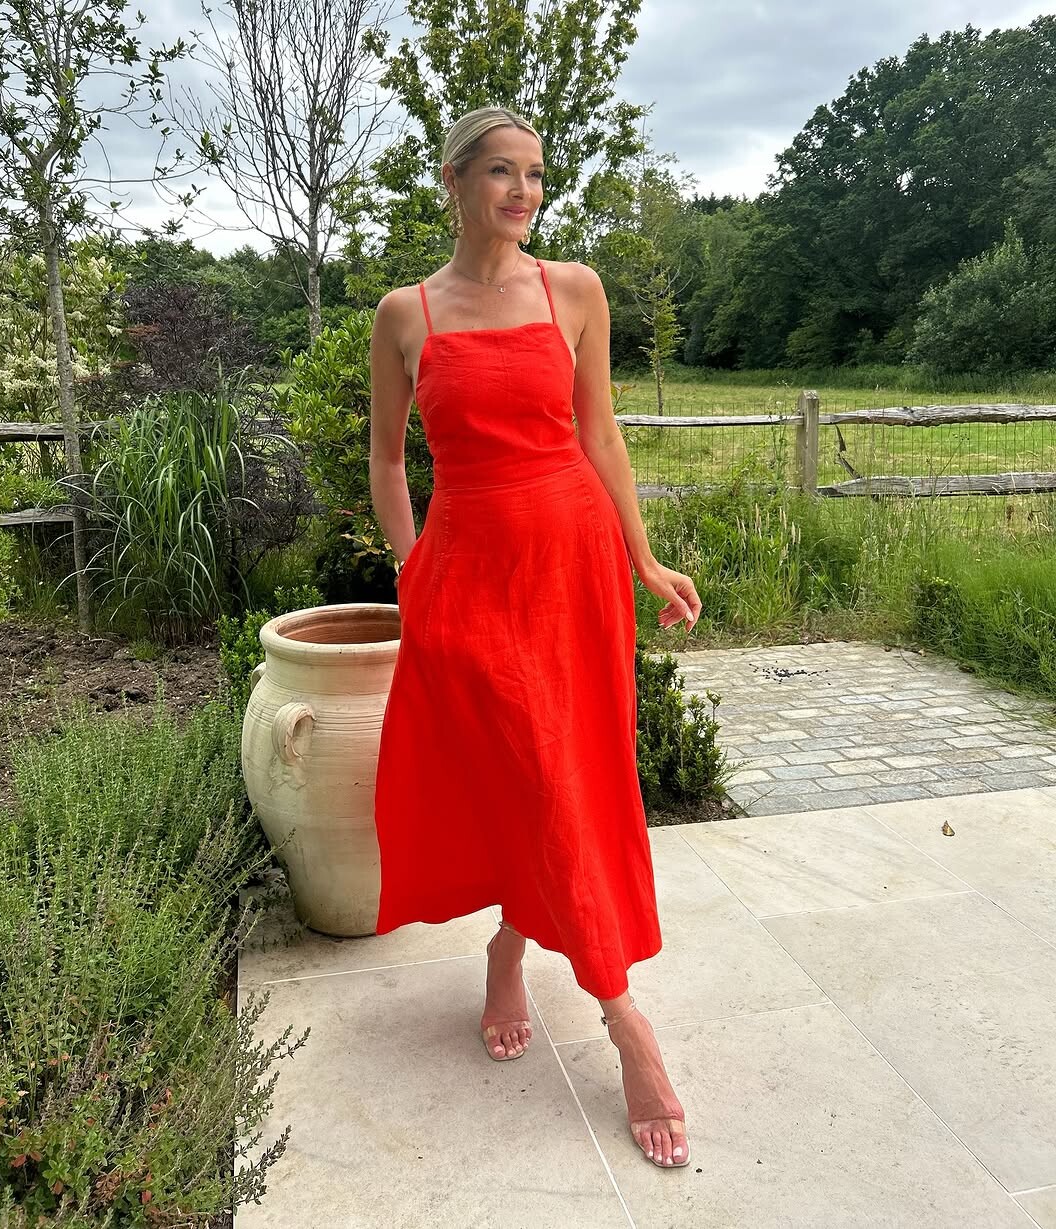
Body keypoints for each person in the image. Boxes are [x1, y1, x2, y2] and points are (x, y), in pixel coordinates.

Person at [368, 106, 702, 1171]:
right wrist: (412, 568)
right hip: (469, 574)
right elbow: (388, 459)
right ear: (455, 181)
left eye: (537, 175)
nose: (524, 193)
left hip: (573, 566)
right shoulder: (407, 313)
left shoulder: (575, 291)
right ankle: (621, 1014)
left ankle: (519, 953)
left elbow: (598, 431)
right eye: (502, 173)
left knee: (568, 779)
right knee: (529, 773)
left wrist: (645, 558)